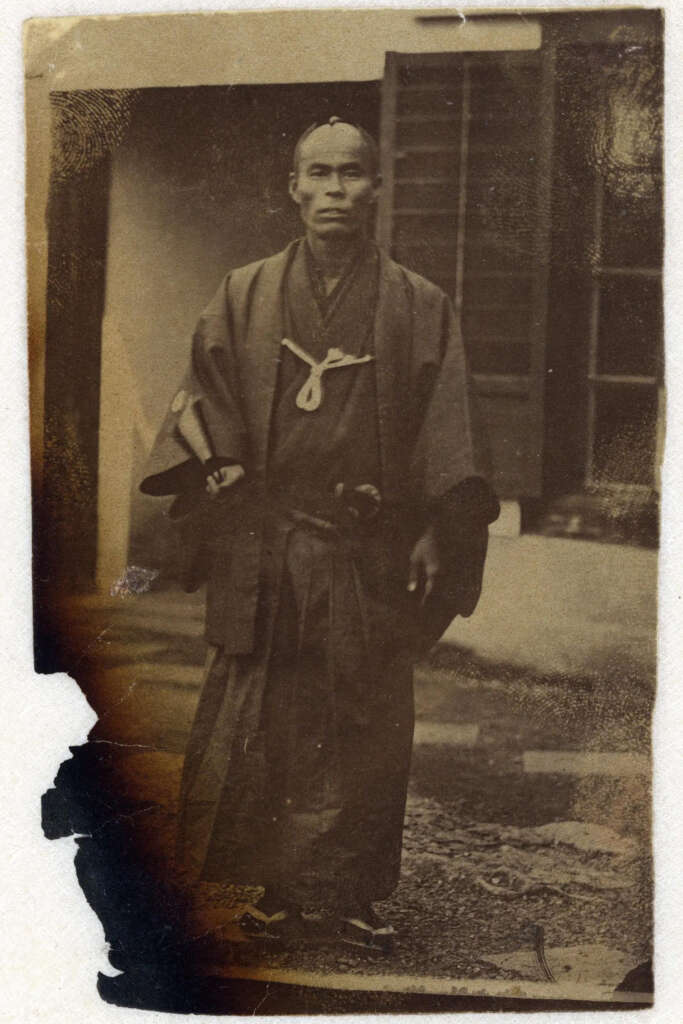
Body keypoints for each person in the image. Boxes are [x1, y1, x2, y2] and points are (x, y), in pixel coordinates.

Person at [140, 116, 499, 952]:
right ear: (293, 188)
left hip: (368, 544)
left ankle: (350, 893)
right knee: (266, 711)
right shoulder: (245, 291)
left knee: (364, 715)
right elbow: (203, 393)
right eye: (319, 174)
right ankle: (273, 886)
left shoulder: (418, 302)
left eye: (352, 174)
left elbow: (445, 429)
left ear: (376, 187)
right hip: (268, 540)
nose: (335, 190)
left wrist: (436, 531)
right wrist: (220, 466)